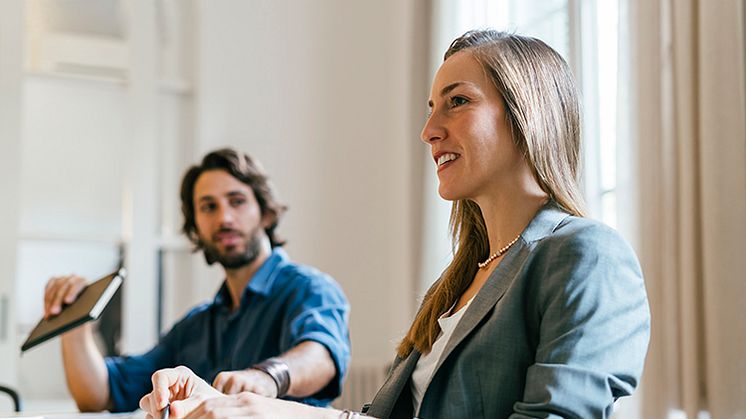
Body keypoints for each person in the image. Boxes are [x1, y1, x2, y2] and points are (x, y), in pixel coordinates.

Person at [138, 30, 650, 419]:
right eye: (432, 109)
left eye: (458, 101)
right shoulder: (455, 284)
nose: (429, 130)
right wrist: (247, 407)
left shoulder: (587, 253)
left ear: (526, 113)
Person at [42, 148, 351, 412]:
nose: (224, 218)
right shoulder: (196, 326)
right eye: (208, 207)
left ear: (266, 213)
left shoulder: (310, 288)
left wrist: (266, 377)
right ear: (196, 227)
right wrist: (75, 324)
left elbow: (322, 356)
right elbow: (100, 394)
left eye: (237, 201)